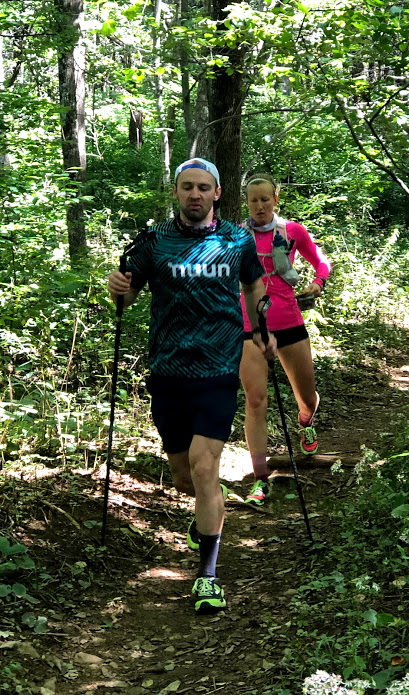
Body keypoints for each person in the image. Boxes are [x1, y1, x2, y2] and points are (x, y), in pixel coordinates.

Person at [108, 158, 276, 614]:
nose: (195, 194)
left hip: (218, 368)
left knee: (205, 469)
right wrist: (117, 285)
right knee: (184, 477)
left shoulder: (237, 239)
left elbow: (253, 284)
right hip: (168, 370)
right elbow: (128, 293)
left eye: (204, 187)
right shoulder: (153, 241)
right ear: (177, 192)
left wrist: (260, 328)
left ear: (217, 192)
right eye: (188, 187)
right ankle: (206, 520)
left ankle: (207, 577)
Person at [239, 173, 331, 506]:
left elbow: (321, 261)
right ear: (247, 203)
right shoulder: (237, 236)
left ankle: (306, 420)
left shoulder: (292, 231)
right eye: (253, 200)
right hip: (250, 325)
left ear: (276, 199)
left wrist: (318, 282)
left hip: (289, 321)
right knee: (255, 402)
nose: (260, 205)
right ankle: (260, 479)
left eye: (265, 199)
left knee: (306, 397)